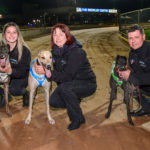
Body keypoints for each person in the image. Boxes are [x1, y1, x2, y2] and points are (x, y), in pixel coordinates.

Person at [35, 23, 97, 130]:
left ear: (67, 36)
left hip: (86, 83)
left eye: (61, 34)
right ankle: (74, 100)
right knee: (53, 101)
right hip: (70, 84)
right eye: (55, 35)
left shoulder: (76, 52)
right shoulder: (55, 52)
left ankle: (77, 118)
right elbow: (59, 74)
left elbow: (67, 76)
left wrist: (47, 73)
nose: (57, 37)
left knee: (65, 88)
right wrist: (44, 68)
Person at [118, 24, 150, 116]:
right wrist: (125, 72)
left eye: (136, 37)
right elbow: (134, 71)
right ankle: (147, 108)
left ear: (143, 37)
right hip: (145, 85)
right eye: (130, 38)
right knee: (126, 83)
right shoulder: (132, 52)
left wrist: (131, 76)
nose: (133, 41)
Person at [0, 22, 31, 107]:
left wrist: (10, 71)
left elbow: (23, 72)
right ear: (4, 34)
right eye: (8, 32)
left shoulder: (25, 51)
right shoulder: (0, 47)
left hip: (20, 77)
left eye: (14, 32)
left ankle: (25, 93)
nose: (11, 35)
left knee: (14, 90)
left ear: (18, 34)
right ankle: (4, 94)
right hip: (5, 75)